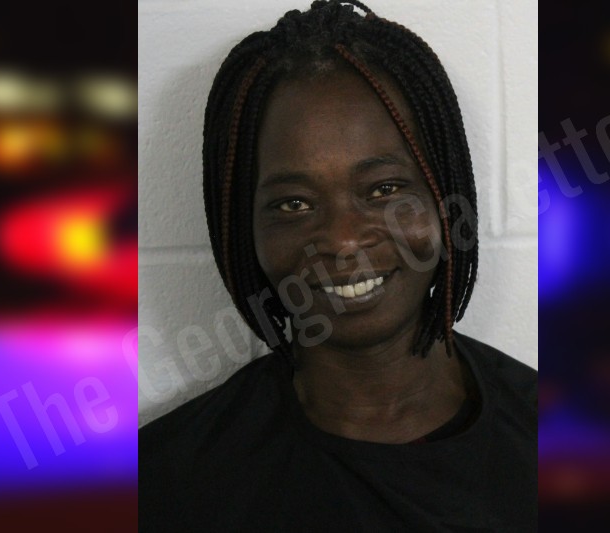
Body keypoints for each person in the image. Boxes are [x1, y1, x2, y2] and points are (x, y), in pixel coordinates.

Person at [139, 1, 536, 531]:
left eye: (384, 189)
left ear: (445, 196)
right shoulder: (165, 485)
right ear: (241, 226)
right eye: (293, 204)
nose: (344, 240)